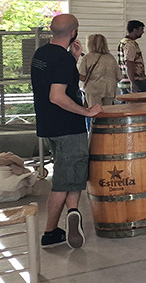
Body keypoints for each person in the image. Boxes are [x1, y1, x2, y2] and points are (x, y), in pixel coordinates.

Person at [31, 14, 102, 249]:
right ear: (74, 32)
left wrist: (72, 58)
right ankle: (50, 233)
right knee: (62, 181)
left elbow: (54, 81)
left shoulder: (42, 53)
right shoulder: (62, 60)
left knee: (71, 174)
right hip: (68, 128)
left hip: (48, 125)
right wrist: (86, 112)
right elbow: (57, 96)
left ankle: (73, 212)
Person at [78, 33, 122, 108]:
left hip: (93, 90)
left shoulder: (87, 57)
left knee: (95, 113)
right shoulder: (110, 57)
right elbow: (119, 77)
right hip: (110, 90)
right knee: (107, 113)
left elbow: (82, 77)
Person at [117, 20, 146, 93]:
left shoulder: (123, 42)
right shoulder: (130, 45)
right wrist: (133, 82)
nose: (143, 32)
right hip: (135, 80)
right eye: (141, 29)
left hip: (125, 80)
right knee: (141, 104)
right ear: (135, 30)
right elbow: (129, 63)